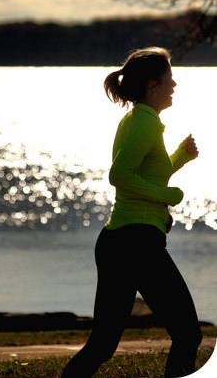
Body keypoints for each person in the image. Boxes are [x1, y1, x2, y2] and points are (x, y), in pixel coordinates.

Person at [61, 47, 202, 378]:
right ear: (153, 84)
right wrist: (167, 195)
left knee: (103, 344)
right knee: (188, 334)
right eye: (170, 77)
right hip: (136, 243)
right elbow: (120, 176)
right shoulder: (145, 124)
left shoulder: (140, 119)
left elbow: (145, 175)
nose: (175, 84)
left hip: (119, 240)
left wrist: (179, 157)